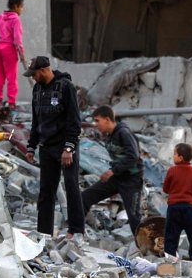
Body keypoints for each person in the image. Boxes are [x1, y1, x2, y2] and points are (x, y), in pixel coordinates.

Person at [25, 56, 85, 238]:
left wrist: (68, 148)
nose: (33, 78)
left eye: (34, 74)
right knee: (46, 191)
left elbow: (74, 121)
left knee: (71, 186)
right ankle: (44, 232)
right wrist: (31, 146)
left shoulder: (66, 87)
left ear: (43, 70)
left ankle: (76, 230)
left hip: (64, 147)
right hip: (46, 147)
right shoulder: (37, 90)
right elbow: (36, 121)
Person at [82, 106, 144, 238]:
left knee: (134, 217)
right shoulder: (109, 136)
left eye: (98, 121)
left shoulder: (124, 133)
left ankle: (145, 248)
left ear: (107, 119)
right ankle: (77, 232)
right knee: (85, 197)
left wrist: (112, 171)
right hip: (117, 178)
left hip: (131, 180)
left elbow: (133, 156)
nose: (96, 124)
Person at [162, 142, 192, 261]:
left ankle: (170, 262)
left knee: (171, 237)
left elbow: (165, 189)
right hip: (189, 208)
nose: (173, 157)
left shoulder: (172, 170)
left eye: (174, 154)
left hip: (174, 209)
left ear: (181, 157)